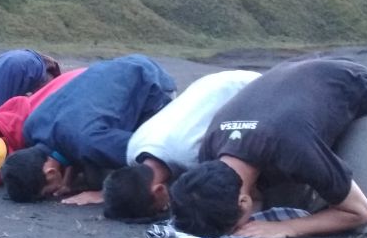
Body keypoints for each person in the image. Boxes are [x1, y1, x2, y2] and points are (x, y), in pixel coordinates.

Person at [169, 57, 367, 238]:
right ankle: (334, 178)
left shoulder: (293, 149)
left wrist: (286, 228)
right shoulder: (210, 153)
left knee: (361, 217)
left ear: (244, 201)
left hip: (356, 89)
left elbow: (359, 213)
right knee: (294, 206)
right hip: (297, 91)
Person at [2, 54, 177, 204]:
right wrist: (70, 172)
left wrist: (104, 194)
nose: (52, 193)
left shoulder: (89, 141)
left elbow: (152, 149)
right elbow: (66, 134)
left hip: (153, 83)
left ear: (50, 173)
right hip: (120, 66)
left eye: (48, 191)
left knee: (99, 177)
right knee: (89, 158)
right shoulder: (31, 126)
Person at [102, 70, 260, 221]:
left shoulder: (191, 157)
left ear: (159, 190)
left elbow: (237, 166)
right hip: (210, 83)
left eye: (162, 208)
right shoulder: (133, 151)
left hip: (251, 89)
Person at [0, 67, 89, 185]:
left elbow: (68, 135)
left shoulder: (32, 130)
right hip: (81, 77)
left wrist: (68, 177)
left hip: (88, 87)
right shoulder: (10, 122)